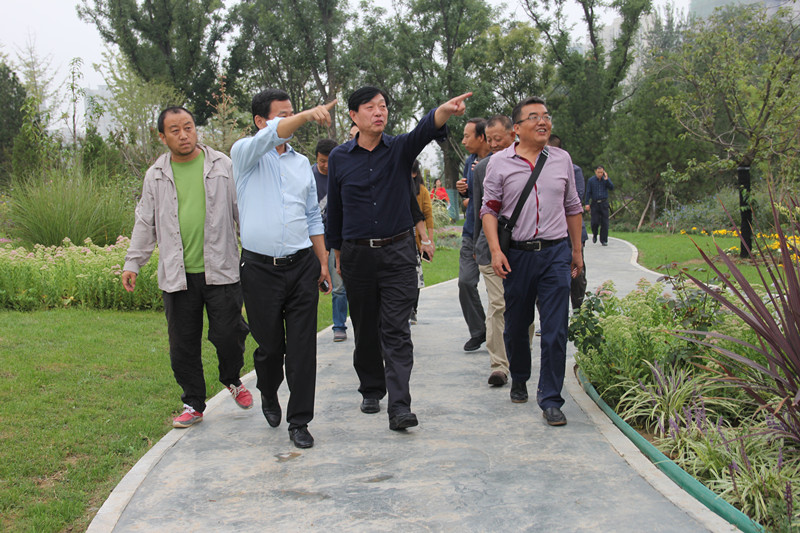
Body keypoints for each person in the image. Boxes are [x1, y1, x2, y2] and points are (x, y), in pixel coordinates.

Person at [326, 86, 469, 431]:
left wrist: (445, 110)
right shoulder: (340, 158)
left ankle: (400, 405)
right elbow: (336, 209)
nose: (379, 112)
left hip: (398, 253)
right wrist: (337, 254)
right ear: (353, 116)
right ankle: (371, 388)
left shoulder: (400, 149)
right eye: (370, 107)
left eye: (383, 106)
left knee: (396, 330)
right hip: (357, 255)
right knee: (365, 328)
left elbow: (426, 127)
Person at [122, 106, 251, 429]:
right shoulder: (155, 175)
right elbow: (145, 221)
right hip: (177, 276)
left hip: (222, 270)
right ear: (162, 136)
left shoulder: (222, 166)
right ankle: (193, 402)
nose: (184, 135)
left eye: (188, 127)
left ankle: (231, 377)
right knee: (183, 344)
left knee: (229, 334)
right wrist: (133, 262)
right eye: (175, 130)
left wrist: (255, 252)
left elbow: (242, 211)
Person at [231, 89, 334, 449]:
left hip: (302, 264)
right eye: (282, 115)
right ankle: (268, 389)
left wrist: (322, 261)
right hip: (260, 270)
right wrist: (304, 115)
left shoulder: (300, 164)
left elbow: (312, 216)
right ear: (260, 121)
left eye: (293, 113)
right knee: (270, 347)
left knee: (303, 347)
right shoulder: (245, 154)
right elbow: (273, 135)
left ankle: (299, 421)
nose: (291, 119)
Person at [480, 96, 583, 427]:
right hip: (518, 256)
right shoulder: (499, 163)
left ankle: (551, 398)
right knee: (516, 323)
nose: (543, 122)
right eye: (534, 117)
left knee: (555, 328)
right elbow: (489, 210)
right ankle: (520, 375)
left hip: (555, 254)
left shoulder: (562, 159)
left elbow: (573, 207)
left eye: (546, 116)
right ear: (517, 128)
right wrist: (496, 251)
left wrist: (577, 251)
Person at [456, 118, 490, 352]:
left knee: (499, 289)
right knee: (466, 282)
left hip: (493, 234)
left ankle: (503, 333)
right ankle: (479, 331)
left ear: (481, 137)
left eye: (467, 136)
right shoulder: (470, 161)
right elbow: (470, 196)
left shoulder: (500, 159)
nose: (463, 141)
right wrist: (463, 190)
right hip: (471, 232)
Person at [313, 138, 349, 342]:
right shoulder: (309, 175)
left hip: (336, 239)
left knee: (339, 286)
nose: (326, 165)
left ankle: (339, 325)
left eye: (329, 160)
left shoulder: (342, 173)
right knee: (308, 288)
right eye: (321, 161)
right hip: (312, 240)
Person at [548, 134, 588, 309]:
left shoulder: (573, 170)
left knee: (576, 275)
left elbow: (575, 201)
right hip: (548, 234)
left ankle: (578, 311)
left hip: (570, 232)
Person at [411, 159, 434, 325]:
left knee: (414, 274)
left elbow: (427, 215)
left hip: (415, 239)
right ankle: (410, 309)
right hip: (403, 237)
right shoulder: (399, 187)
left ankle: (412, 309)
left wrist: (428, 241)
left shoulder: (422, 191)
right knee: (411, 274)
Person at [584, 165, 615, 246]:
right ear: (596, 172)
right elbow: (588, 192)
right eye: (598, 172)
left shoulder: (606, 180)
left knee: (605, 223)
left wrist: (607, 179)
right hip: (595, 204)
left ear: (604, 172)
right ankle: (595, 234)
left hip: (604, 203)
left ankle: (603, 240)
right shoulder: (591, 180)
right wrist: (587, 203)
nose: (600, 174)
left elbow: (612, 188)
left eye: (601, 172)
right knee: (595, 222)